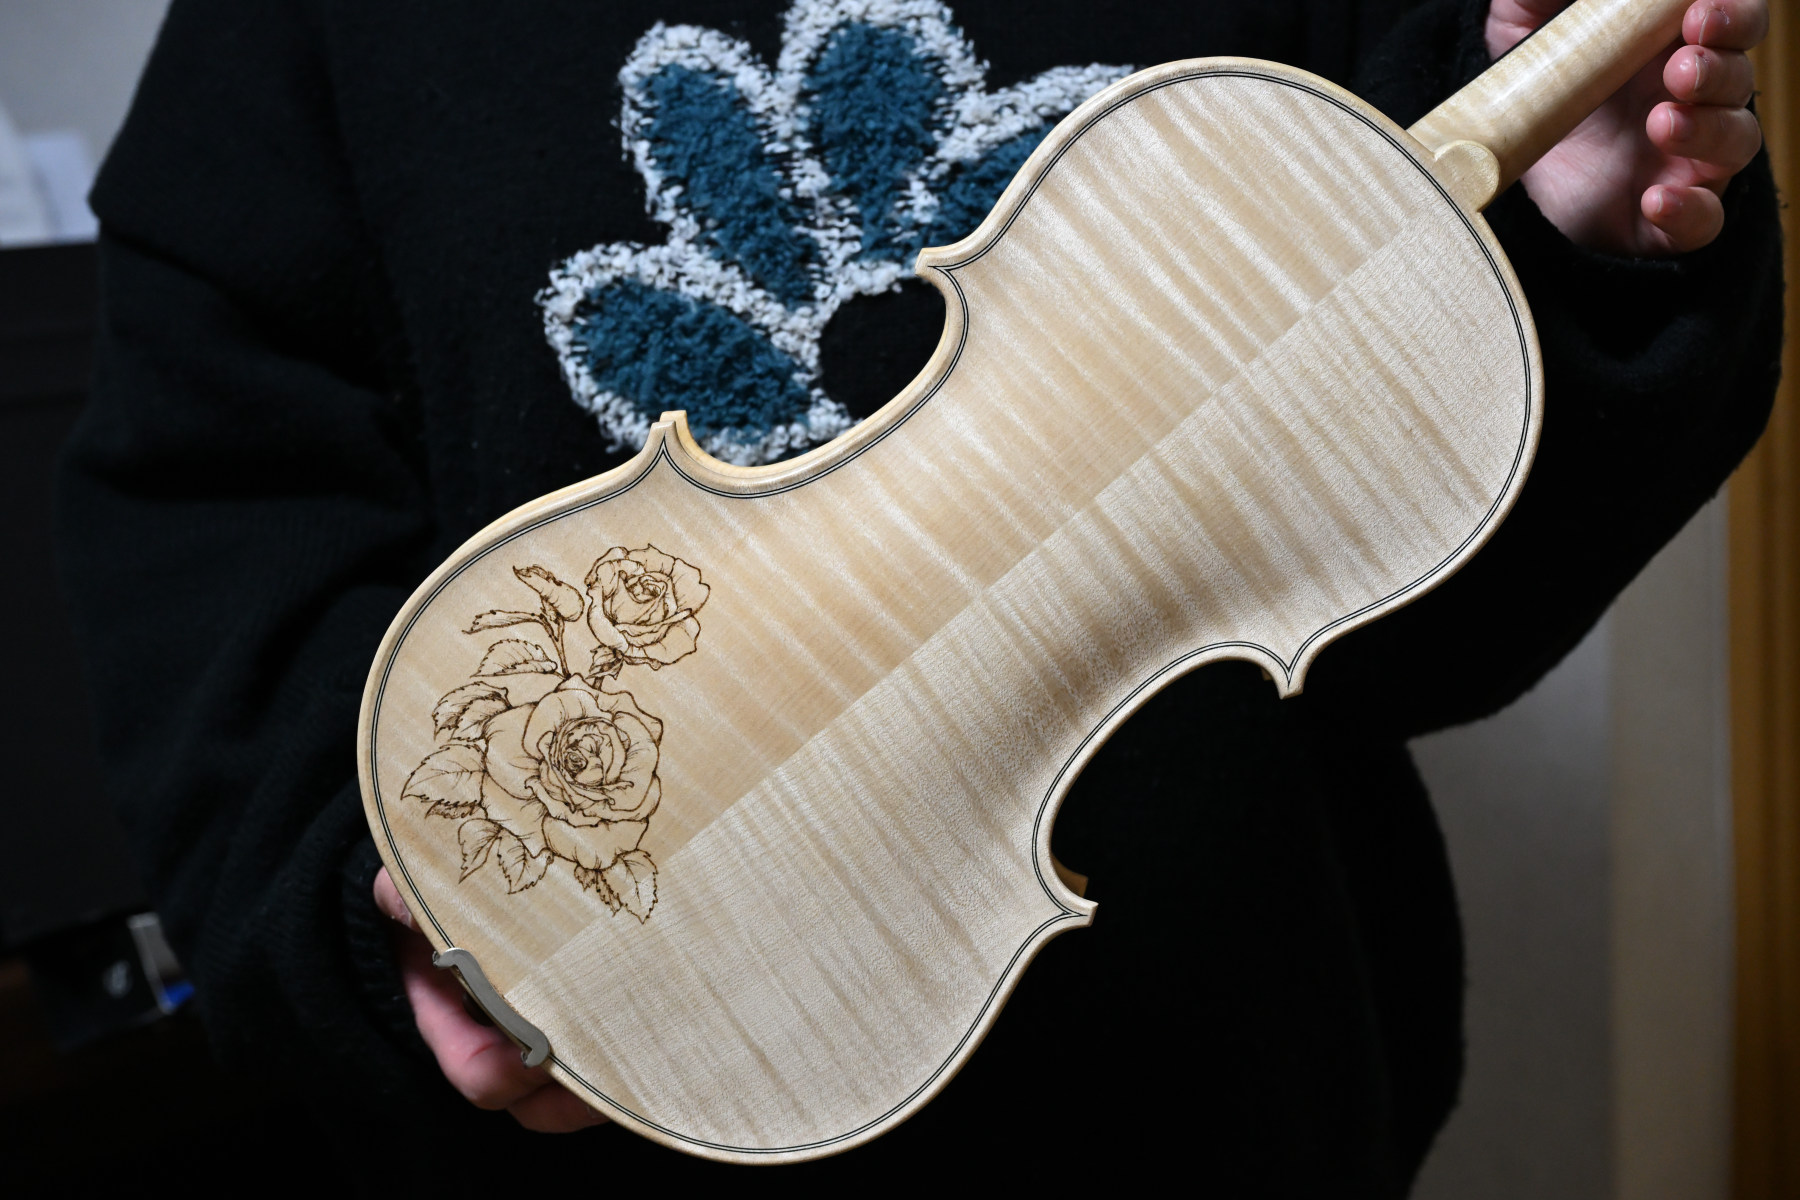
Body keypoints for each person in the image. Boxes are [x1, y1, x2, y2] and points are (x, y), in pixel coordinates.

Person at [59, 0, 1778, 1191]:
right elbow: (207, 522)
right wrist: (362, 936)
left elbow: (1416, 623)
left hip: (1218, 1121)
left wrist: (1561, 249)